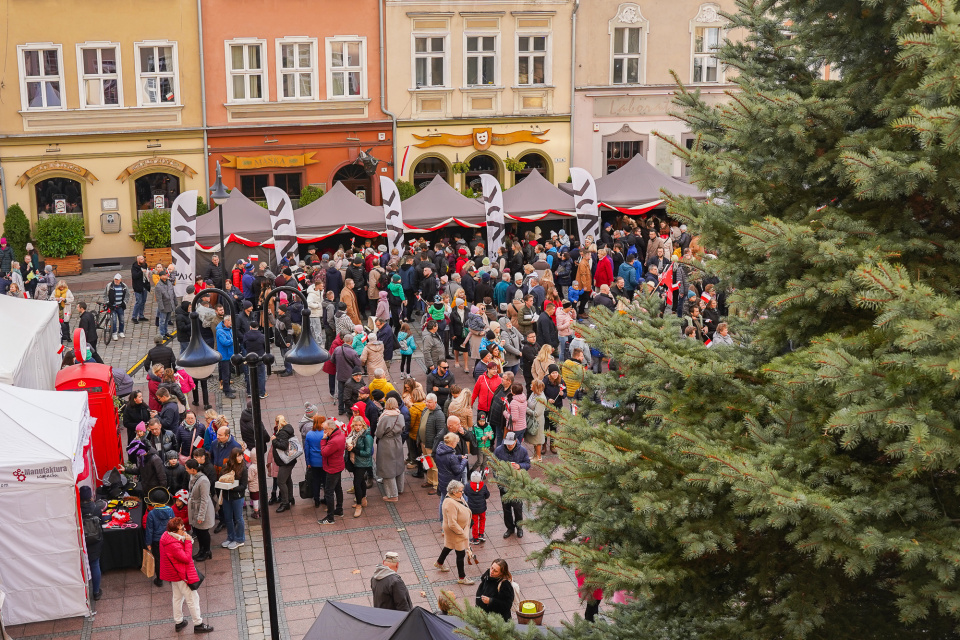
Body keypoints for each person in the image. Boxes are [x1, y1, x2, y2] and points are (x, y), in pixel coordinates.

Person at [159, 517, 214, 634]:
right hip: (181, 575)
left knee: (177, 598)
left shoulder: (166, 536)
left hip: (174, 574)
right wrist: (188, 542)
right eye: (181, 528)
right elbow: (186, 558)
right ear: (174, 531)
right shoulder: (173, 544)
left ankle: (179, 622)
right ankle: (198, 624)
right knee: (193, 599)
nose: (184, 530)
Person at [434, 480, 475, 585]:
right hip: (456, 532)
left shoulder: (456, 497)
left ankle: (439, 562)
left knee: (449, 546)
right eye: (461, 491)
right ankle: (462, 577)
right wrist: (462, 533)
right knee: (460, 554)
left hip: (457, 530)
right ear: (454, 492)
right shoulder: (450, 503)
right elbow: (452, 523)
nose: (462, 493)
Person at [494, 432, 531, 538]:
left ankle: (519, 527)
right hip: (504, 484)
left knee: (518, 508)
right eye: (507, 443)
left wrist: (519, 466)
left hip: (516, 485)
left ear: (516, 441)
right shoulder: (499, 450)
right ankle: (510, 528)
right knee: (506, 508)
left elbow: (528, 464)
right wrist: (498, 481)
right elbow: (494, 466)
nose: (509, 446)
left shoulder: (522, 450)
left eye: (511, 443)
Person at [185, 459, 215, 561]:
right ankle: (202, 550)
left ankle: (206, 551)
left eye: (187, 469)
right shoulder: (193, 476)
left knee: (203, 532)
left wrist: (201, 516)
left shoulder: (203, 481)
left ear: (193, 469)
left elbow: (204, 499)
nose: (186, 470)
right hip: (195, 507)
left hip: (202, 509)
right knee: (198, 531)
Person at [376, 397, 405, 501]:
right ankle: (400, 488)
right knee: (398, 464)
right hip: (398, 441)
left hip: (387, 443)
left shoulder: (385, 417)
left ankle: (393, 495)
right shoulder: (400, 415)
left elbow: (378, 433)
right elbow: (403, 429)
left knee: (387, 467)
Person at [318, 417, 346, 525]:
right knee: (338, 488)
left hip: (332, 468)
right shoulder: (339, 435)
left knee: (329, 492)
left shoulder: (333, 441)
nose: (324, 432)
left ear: (330, 429)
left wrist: (323, 440)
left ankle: (330, 518)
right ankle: (339, 509)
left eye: (325, 430)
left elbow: (324, 452)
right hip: (337, 465)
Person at [79, 485, 104, 600]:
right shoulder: (95, 508)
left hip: (81, 541)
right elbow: (101, 521)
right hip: (94, 540)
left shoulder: (76, 509)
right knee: (95, 564)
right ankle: (96, 591)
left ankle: (81, 592)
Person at [220, 448, 248, 550]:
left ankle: (239, 539)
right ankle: (230, 537)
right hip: (226, 496)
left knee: (238, 518)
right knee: (228, 518)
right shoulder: (227, 466)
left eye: (241, 455)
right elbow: (221, 477)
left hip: (237, 497)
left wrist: (233, 488)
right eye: (238, 456)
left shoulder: (243, 468)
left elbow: (244, 486)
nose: (241, 458)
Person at [144, 494, 174, 587]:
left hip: (157, 540)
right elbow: (174, 525)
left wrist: (148, 543)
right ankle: (172, 576)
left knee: (158, 559)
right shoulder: (170, 510)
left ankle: (159, 580)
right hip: (169, 538)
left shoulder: (151, 513)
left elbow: (149, 530)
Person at [270, 415, 298, 512]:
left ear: (277, 422)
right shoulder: (287, 429)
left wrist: (274, 440)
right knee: (287, 479)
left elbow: (283, 446)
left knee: (281, 481)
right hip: (289, 460)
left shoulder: (282, 433)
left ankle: (285, 503)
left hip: (285, 462)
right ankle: (290, 498)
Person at [304, 415, 327, 508]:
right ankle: (326, 498)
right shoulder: (325, 434)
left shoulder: (309, 434)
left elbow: (307, 449)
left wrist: (308, 462)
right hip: (324, 461)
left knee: (316, 481)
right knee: (325, 480)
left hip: (313, 461)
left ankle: (316, 499)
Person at [464, 470, 490, 545]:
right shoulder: (483, 486)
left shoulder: (468, 486)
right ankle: (481, 534)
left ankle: (475, 538)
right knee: (482, 519)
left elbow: (465, 493)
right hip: (482, 507)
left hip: (472, 508)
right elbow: (487, 495)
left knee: (474, 522)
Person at [525, 380, 547, 462]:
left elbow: (537, 413)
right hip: (532, 420)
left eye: (532, 385)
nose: (530, 386)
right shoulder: (533, 393)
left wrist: (526, 409)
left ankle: (538, 457)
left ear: (536, 387)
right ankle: (535, 455)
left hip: (537, 422)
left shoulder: (542, 398)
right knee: (534, 440)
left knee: (538, 440)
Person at [103, 273, 128, 340]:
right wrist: (107, 302)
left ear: (120, 280)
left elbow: (127, 295)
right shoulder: (109, 286)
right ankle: (114, 333)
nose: (116, 281)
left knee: (122, 319)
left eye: (117, 280)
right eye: (115, 279)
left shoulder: (124, 286)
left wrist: (125, 302)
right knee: (113, 320)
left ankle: (121, 331)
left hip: (120, 306)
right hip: (112, 306)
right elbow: (105, 295)